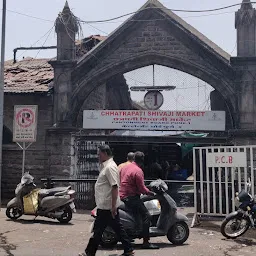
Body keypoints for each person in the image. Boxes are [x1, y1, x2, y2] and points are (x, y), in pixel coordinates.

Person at [80, 145, 134, 256]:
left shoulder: (110, 167)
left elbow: (114, 186)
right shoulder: (106, 166)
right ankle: (128, 249)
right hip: (105, 205)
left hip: (107, 206)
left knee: (99, 230)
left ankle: (89, 253)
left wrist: (113, 206)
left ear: (105, 153)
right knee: (112, 229)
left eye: (99, 154)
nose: (98, 156)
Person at [120, 151, 159, 250]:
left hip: (123, 195)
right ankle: (146, 242)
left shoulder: (126, 167)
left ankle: (137, 229)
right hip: (131, 197)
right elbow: (142, 189)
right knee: (147, 215)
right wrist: (151, 193)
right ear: (142, 160)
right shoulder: (138, 171)